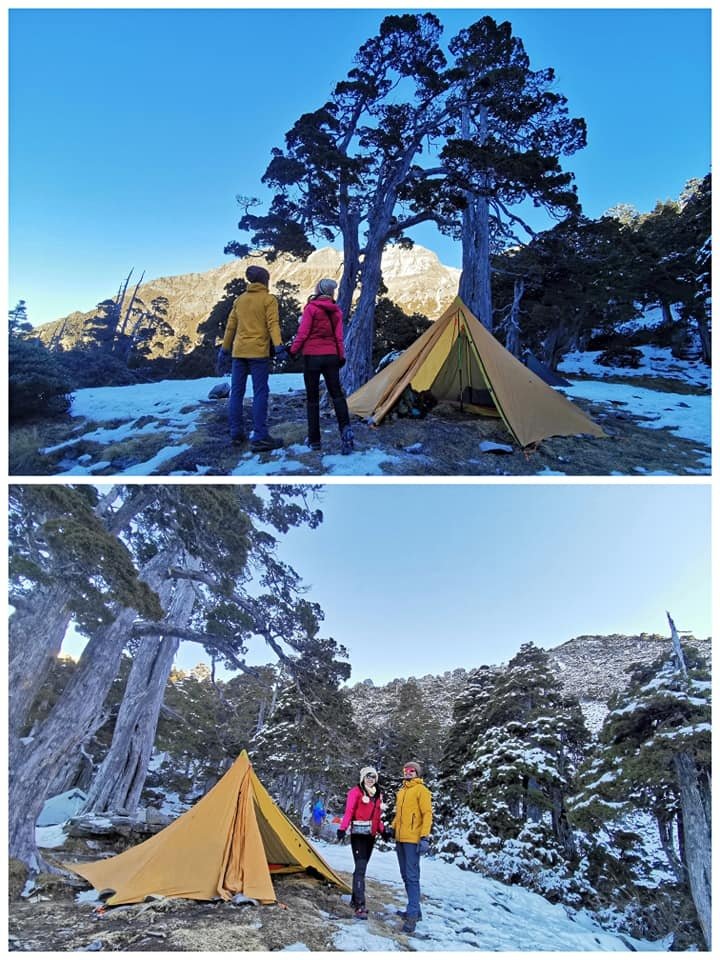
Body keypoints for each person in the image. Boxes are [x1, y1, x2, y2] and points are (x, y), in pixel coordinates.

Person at [216, 265, 288, 452]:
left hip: (238, 353)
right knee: (260, 393)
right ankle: (260, 436)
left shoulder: (240, 300)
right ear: (265, 281)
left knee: (237, 393)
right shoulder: (268, 299)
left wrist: (224, 349)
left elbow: (230, 327)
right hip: (258, 352)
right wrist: (279, 346)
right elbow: (273, 324)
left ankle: (236, 433)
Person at [289, 278, 355, 455]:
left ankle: (314, 440)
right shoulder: (336, 311)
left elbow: (303, 334)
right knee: (337, 395)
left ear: (318, 290)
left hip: (312, 357)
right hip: (331, 356)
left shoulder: (311, 308)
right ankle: (346, 432)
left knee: (312, 399)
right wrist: (341, 356)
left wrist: (292, 351)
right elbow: (339, 337)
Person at [337, 766, 386, 920]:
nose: (370, 779)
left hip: (370, 836)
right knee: (360, 869)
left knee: (360, 869)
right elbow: (349, 811)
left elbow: (377, 817)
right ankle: (360, 905)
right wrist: (342, 828)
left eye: (373, 777)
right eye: (368, 777)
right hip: (358, 835)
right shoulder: (355, 792)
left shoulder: (378, 794)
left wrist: (383, 831)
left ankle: (353, 899)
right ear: (362, 778)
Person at [391, 760, 432, 934]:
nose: (408, 772)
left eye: (412, 771)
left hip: (413, 839)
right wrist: (391, 827)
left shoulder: (421, 790)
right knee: (405, 875)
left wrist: (424, 837)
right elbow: (399, 816)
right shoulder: (402, 791)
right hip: (400, 839)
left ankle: (412, 917)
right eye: (406, 770)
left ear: (417, 774)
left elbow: (427, 814)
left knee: (412, 876)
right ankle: (415, 910)